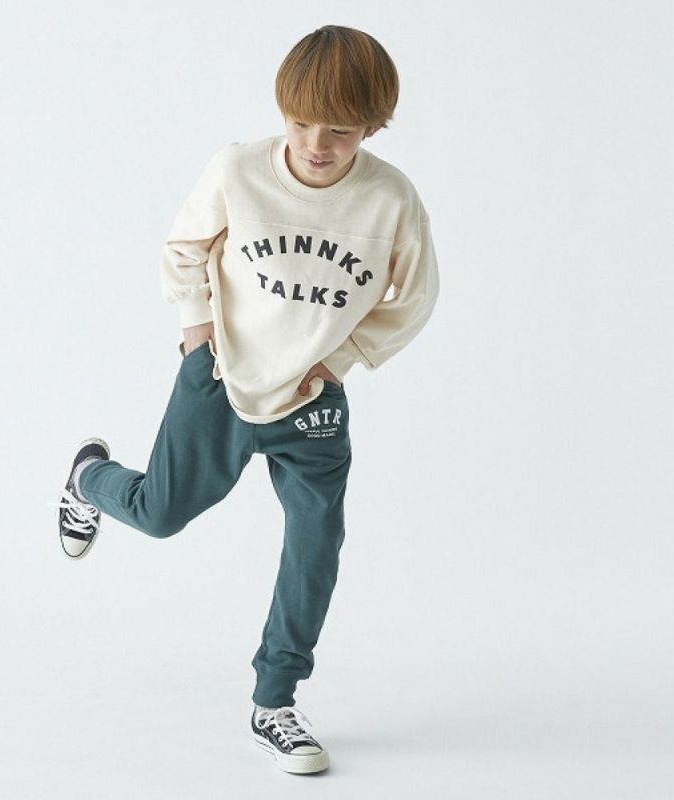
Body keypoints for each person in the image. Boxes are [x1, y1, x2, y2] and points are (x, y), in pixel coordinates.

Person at [49, 24, 439, 775]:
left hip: (313, 400)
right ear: (282, 111)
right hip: (222, 379)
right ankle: (88, 478)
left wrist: (341, 359)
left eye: (340, 130)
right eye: (301, 123)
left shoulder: (391, 200)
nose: (316, 144)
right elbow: (185, 247)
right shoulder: (239, 170)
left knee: (316, 546)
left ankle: (274, 702)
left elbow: (415, 298)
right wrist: (197, 329)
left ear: (374, 127)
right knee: (160, 514)